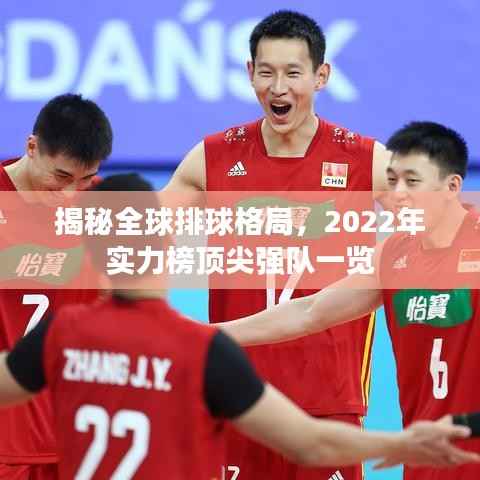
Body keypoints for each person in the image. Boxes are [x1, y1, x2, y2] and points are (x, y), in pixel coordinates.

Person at [0, 173, 478, 480]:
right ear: (169, 245)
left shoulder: (61, 335)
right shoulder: (199, 351)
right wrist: (401, 442)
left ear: (92, 251)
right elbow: (310, 443)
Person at [163, 9, 392, 479]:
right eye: (266, 73)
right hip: (238, 398)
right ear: (250, 73)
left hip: (329, 404)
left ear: (321, 76)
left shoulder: (365, 160)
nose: (278, 88)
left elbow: (441, 223)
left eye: (293, 73)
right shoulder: (212, 158)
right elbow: (137, 237)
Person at [219, 121, 480, 479]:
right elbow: (309, 312)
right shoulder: (394, 254)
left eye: (412, 181)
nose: (398, 194)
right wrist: (207, 335)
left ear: (452, 186)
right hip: (427, 460)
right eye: (392, 180)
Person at [0, 93, 112, 479]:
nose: (70, 193)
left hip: (77, 436)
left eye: (85, 178)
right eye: (61, 177)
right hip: (7, 439)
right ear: (32, 147)